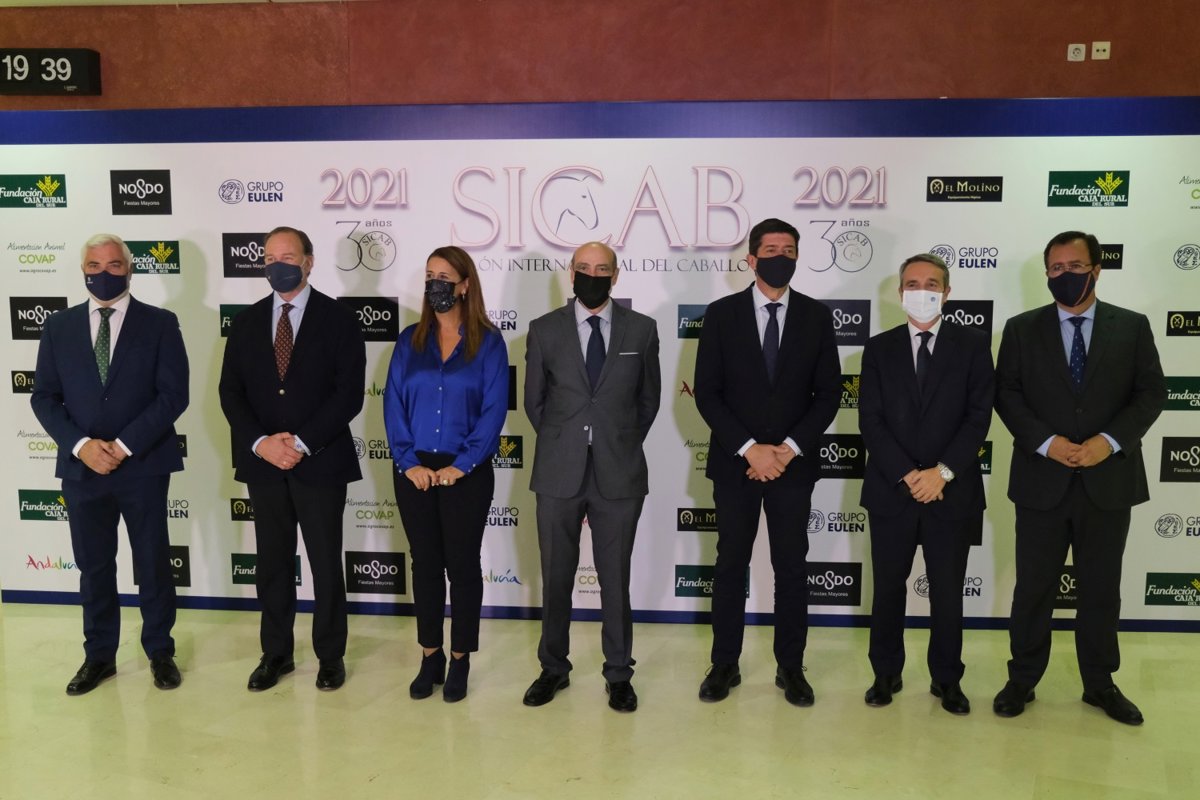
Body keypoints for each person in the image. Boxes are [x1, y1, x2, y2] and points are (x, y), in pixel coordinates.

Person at [993, 230, 1164, 725]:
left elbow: (1151, 393)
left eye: (1075, 266)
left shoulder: (1131, 326)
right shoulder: (1021, 329)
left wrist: (1107, 442)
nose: (1064, 275)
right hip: (1041, 481)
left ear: (1096, 269)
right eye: (1055, 268)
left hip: (1108, 481)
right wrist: (1047, 442)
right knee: (1033, 589)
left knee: (1101, 590)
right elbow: (1007, 395)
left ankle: (1100, 683)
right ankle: (1022, 678)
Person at [31, 233, 189, 695]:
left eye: (115, 265)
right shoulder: (58, 327)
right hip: (82, 468)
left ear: (129, 269)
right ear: (83, 270)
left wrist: (122, 445)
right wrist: (82, 445)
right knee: (94, 566)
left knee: (152, 562)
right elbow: (44, 397)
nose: (104, 274)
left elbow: (173, 395)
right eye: (95, 266)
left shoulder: (160, 323)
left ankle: (160, 651)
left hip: (143, 464)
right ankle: (99, 656)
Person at [693, 217, 840, 706]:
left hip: (792, 467)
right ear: (752, 259)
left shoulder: (817, 316)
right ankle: (724, 664)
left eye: (789, 250)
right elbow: (708, 393)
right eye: (771, 250)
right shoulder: (721, 314)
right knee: (730, 565)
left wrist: (788, 449)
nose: (781, 257)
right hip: (736, 464)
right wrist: (749, 448)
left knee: (792, 567)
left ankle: (791, 667)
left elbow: (829, 394)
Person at [219, 226, 366, 692]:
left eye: (287, 256)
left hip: (320, 463)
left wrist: (300, 443)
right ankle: (276, 653)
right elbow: (230, 393)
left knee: (325, 564)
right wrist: (262, 443)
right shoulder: (245, 322)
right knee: (272, 564)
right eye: (268, 258)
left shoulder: (340, 319)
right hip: (263, 466)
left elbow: (348, 394)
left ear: (308, 261)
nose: (276, 265)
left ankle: (330, 656)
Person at [522, 241, 661, 713]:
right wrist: (568, 443)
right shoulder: (544, 329)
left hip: (619, 473)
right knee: (555, 577)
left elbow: (648, 401)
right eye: (584, 268)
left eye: (602, 269)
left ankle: (618, 673)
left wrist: (614, 442)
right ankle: (553, 668)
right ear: (571, 272)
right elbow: (535, 403)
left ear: (616, 276)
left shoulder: (642, 329)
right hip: (557, 472)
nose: (593, 276)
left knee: (615, 579)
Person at [857, 253, 994, 715]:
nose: (921, 291)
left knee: (948, 592)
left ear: (947, 292)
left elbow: (978, 418)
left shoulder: (973, 346)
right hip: (891, 491)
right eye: (912, 284)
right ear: (900, 293)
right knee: (888, 590)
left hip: (951, 492)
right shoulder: (878, 349)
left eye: (931, 283)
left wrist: (942, 473)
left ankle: (947, 679)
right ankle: (885, 673)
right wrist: (907, 474)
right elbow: (871, 420)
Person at [384, 246, 508, 702]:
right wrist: (408, 462)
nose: (434, 284)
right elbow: (393, 404)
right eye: (429, 276)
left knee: (463, 566)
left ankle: (460, 659)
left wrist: (463, 464)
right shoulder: (408, 341)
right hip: (414, 470)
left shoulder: (489, 343)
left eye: (444, 277)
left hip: (466, 472)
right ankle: (430, 655)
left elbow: (494, 411)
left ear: (464, 285)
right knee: (425, 566)